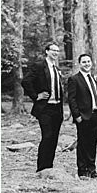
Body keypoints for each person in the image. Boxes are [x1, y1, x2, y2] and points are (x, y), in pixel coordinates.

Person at [21, 43, 66, 172]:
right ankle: (41, 168)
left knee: (54, 138)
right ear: (47, 51)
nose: (56, 53)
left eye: (57, 51)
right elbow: (26, 81)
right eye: (53, 50)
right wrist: (36, 96)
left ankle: (49, 167)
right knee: (47, 136)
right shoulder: (39, 66)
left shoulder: (56, 69)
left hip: (57, 108)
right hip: (45, 108)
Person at [65, 53, 97, 178]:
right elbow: (71, 99)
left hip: (96, 115)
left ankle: (92, 169)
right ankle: (82, 170)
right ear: (79, 64)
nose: (87, 64)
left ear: (91, 63)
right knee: (83, 144)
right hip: (83, 116)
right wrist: (76, 115)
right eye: (84, 62)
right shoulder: (74, 79)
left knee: (92, 143)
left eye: (88, 61)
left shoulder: (94, 77)